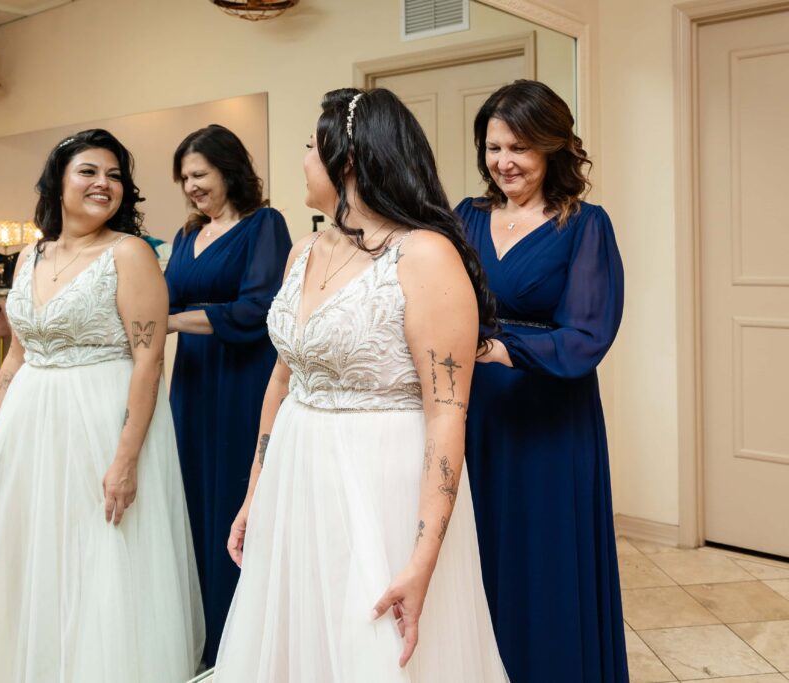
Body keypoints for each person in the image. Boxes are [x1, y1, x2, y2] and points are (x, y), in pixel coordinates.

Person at [213, 89, 508, 682]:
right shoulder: (304, 250)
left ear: (345, 160)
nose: (300, 160)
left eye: (307, 147)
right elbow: (282, 377)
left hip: (380, 483)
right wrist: (255, 493)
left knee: (370, 645)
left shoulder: (424, 256)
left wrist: (424, 560)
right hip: (298, 477)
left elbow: (448, 414)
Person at [0, 129, 204, 682]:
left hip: (98, 424)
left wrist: (125, 459)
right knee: (28, 554)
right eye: (89, 171)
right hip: (30, 425)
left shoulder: (131, 254)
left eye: (115, 175)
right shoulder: (31, 254)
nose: (105, 184)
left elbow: (148, 361)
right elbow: (13, 359)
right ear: (58, 183)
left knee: (97, 560)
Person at [455, 79, 627, 682]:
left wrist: (500, 347)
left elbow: (586, 335)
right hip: (474, 415)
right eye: (493, 147)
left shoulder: (584, 225)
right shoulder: (465, 217)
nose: (504, 162)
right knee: (477, 555)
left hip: (550, 418)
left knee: (545, 558)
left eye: (519, 148)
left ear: (553, 149)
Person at [165, 124, 292, 665]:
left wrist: (168, 321)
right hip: (191, 381)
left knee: (237, 499)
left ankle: (239, 645)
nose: (192, 187)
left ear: (229, 170)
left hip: (243, 378)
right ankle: (199, 634)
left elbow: (258, 309)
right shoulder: (187, 233)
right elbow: (163, 296)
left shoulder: (265, 225)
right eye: (185, 178)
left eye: (200, 175)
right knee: (192, 495)